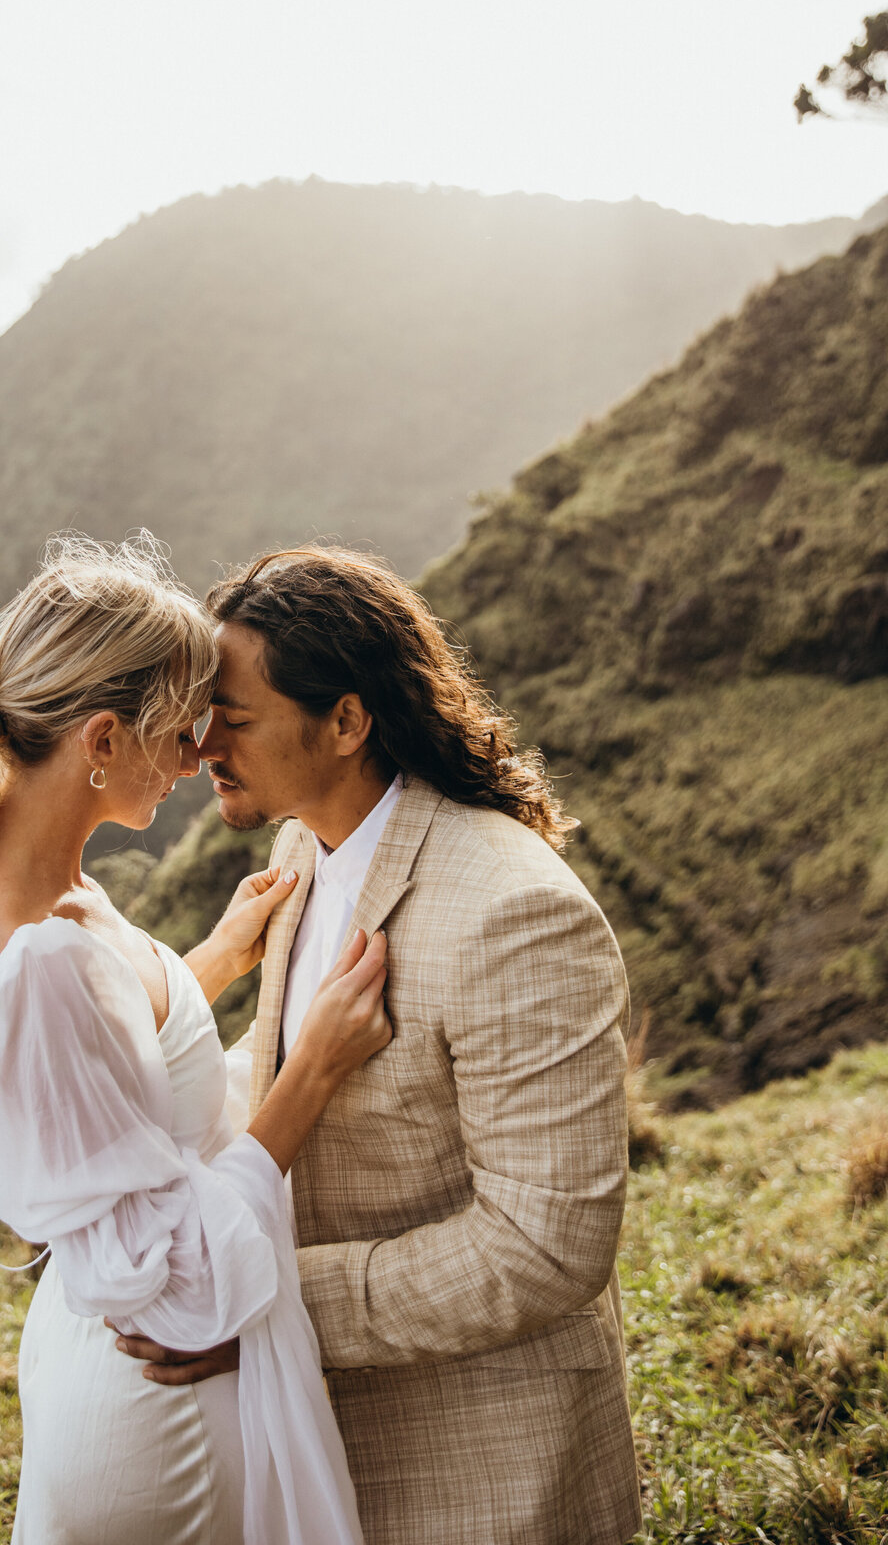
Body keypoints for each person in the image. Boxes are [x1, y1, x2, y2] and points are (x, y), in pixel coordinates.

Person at [122, 546, 642, 1545]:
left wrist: (261, 1304)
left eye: (231, 718)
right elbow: (271, 1070)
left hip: (489, 1475)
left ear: (348, 722)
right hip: (326, 1463)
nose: (199, 747)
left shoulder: (515, 911)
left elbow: (546, 1249)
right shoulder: (300, 848)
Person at [0, 534, 390, 1545]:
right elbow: (176, 1281)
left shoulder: (48, 891)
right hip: (156, 1415)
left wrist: (203, 969)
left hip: (112, 1388)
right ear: (103, 740)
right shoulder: (36, 961)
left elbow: (105, 1072)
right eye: (180, 730)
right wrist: (312, 1070)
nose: (198, 756)